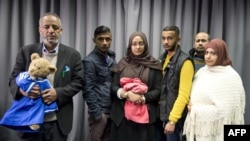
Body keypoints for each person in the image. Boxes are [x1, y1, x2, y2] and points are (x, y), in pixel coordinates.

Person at [8, 12, 84, 141]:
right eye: (46, 27)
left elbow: (79, 82)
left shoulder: (73, 55)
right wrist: (23, 90)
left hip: (58, 121)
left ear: (61, 30)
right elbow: (13, 80)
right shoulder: (26, 52)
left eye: (55, 27)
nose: (51, 31)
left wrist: (58, 93)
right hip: (29, 120)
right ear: (40, 30)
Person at [183, 38, 245, 141]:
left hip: (219, 133)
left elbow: (225, 111)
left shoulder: (231, 77)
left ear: (221, 54)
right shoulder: (201, 72)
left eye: (213, 53)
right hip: (198, 131)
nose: (208, 56)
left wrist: (195, 109)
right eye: (207, 52)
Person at [110, 31, 162, 141]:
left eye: (141, 43)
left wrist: (142, 98)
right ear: (130, 45)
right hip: (122, 117)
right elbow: (113, 87)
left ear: (145, 45)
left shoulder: (154, 65)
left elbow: (158, 90)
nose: (137, 47)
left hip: (146, 118)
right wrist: (126, 94)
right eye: (134, 44)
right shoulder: (122, 63)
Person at [159, 25, 195, 141]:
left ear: (178, 39)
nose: (166, 41)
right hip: (161, 115)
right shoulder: (162, 59)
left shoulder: (185, 62)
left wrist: (172, 120)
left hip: (175, 119)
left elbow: (184, 95)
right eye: (163, 38)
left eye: (170, 38)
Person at [82, 25, 116, 141]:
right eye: (101, 39)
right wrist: (97, 114)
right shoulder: (89, 61)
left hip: (111, 109)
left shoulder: (111, 57)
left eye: (108, 39)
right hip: (99, 111)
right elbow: (87, 89)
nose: (105, 42)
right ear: (94, 40)